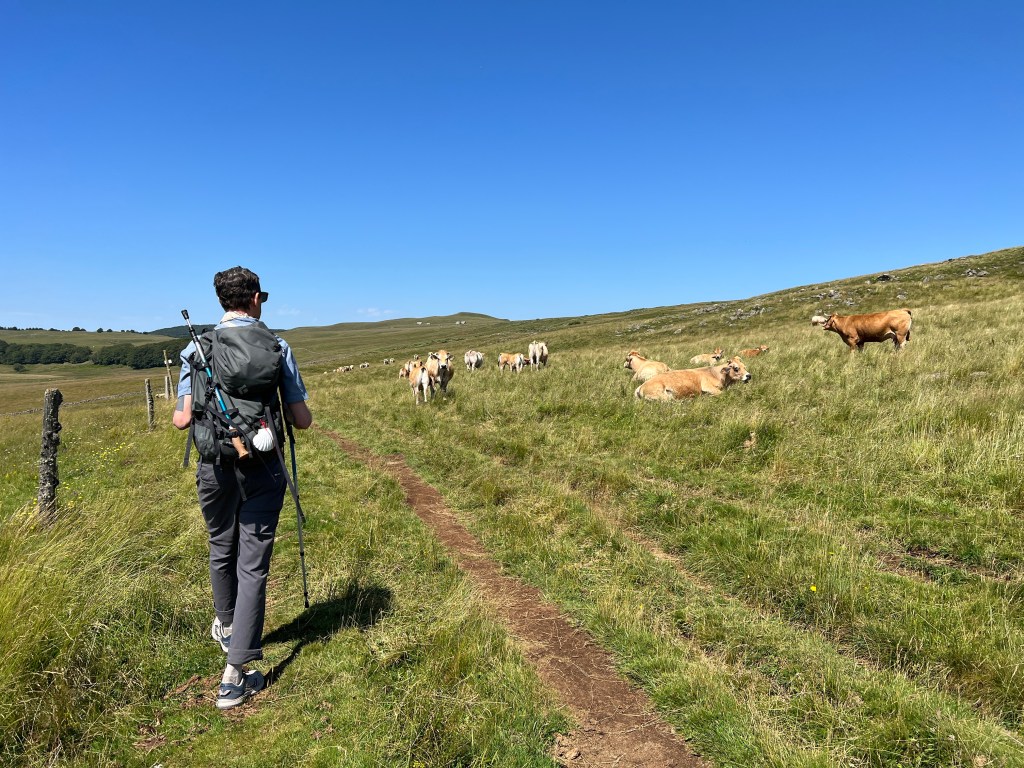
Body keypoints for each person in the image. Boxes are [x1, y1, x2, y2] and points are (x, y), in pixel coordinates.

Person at [173, 266, 312, 709]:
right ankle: (235, 674)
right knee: (253, 564)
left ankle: (228, 626)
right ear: (254, 299)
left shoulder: (196, 349)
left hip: (214, 464)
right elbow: (302, 419)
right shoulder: (278, 346)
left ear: (221, 301)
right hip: (264, 465)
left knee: (220, 544)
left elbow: (180, 419)